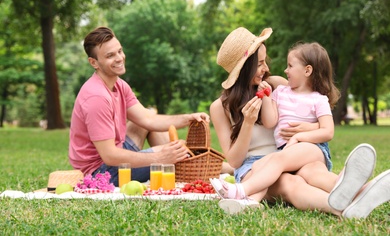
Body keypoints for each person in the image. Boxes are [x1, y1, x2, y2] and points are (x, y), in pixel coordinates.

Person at [209, 27, 390, 217]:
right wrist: (248, 122)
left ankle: (355, 191)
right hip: (254, 169)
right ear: (245, 67)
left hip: (293, 153)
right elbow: (235, 160)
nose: (267, 68)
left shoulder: (276, 85)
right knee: (291, 184)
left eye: (266, 61)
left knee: (314, 172)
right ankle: (347, 208)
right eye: (260, 63)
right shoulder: (220, 108)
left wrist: (308, 129)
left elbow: (309, 105)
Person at [68, 26, 209, 186]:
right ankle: (219, 168)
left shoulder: (119, 85)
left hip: (116, 153)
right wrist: (160, 157)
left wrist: (188, 118)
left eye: (119, 51)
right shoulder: (96, 97)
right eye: (110, 55)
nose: (119, 58)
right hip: (101, 172)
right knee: (176, 153)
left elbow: (148, 119)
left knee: (143, 125)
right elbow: (109, 156)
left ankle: (179, 162)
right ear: (94, 62)